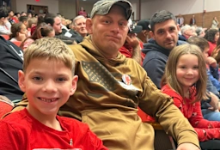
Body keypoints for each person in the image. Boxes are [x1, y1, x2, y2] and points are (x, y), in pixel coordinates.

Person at [13, 1, 200, 150]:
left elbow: (163, 105)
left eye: (122, 23)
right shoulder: (70, 57)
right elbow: (30, 103)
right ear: (89, 25)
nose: (115, 29)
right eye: (107, 21)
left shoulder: (133, 68)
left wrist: (188, 137)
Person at [0, 37, 107, 150]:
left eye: (60, 79)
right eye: (37, 78)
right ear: (22, 81)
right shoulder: (9, 130)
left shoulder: (80, 131)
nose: (49, 88)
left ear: (73, 85)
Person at [161, 44, 220, 148]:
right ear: (172, 68)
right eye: (183, 67)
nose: (189, 73)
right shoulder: (171, 96)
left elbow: (197, 121)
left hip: (188, 136)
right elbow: (183, 132)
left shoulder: (192, 90)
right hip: (175, 142)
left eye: (195, 67)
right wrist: (217, 132)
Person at [142, 10, 186, 89]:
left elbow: (204, 77)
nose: (168, 36)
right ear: (153, 35)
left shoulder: (186, 47)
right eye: (161, 32)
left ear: (178, 29)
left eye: (171, 29)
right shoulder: (154, 62)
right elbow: (163, 99)